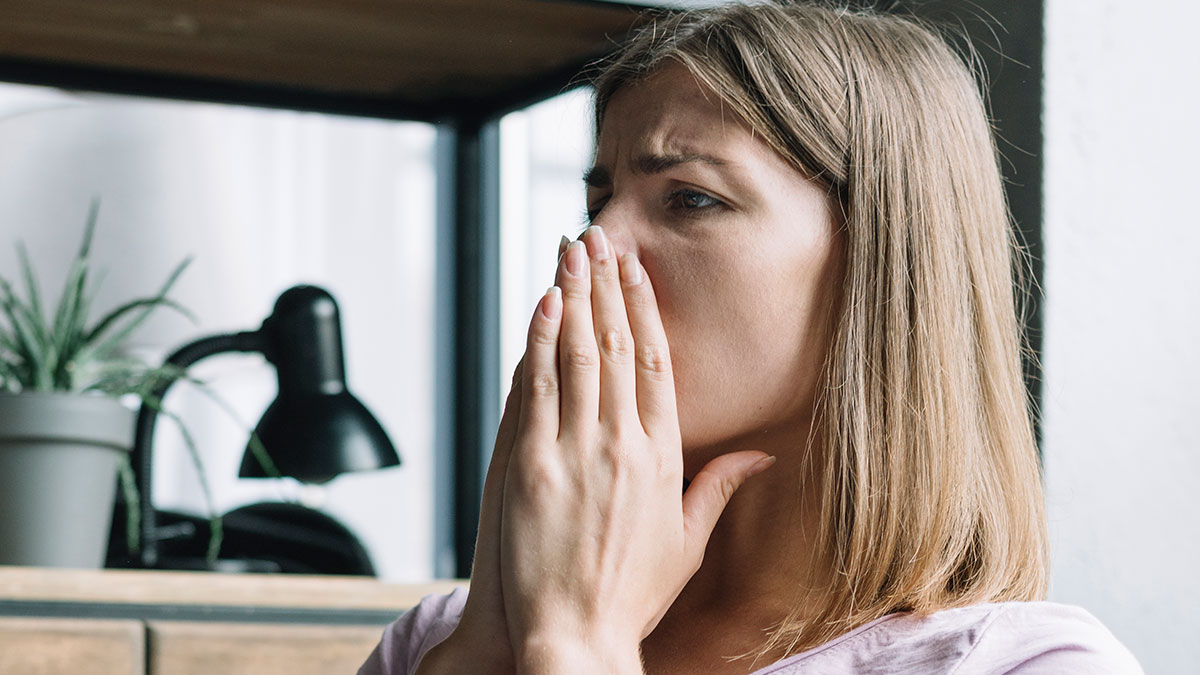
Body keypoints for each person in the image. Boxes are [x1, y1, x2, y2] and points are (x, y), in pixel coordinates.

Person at [361, 2, 1142, 673]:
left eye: (690, 199)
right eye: (599, 200)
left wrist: (577, 644)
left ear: (879, 255)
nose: (593, 245)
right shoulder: (434, 643)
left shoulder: (1027, 665)